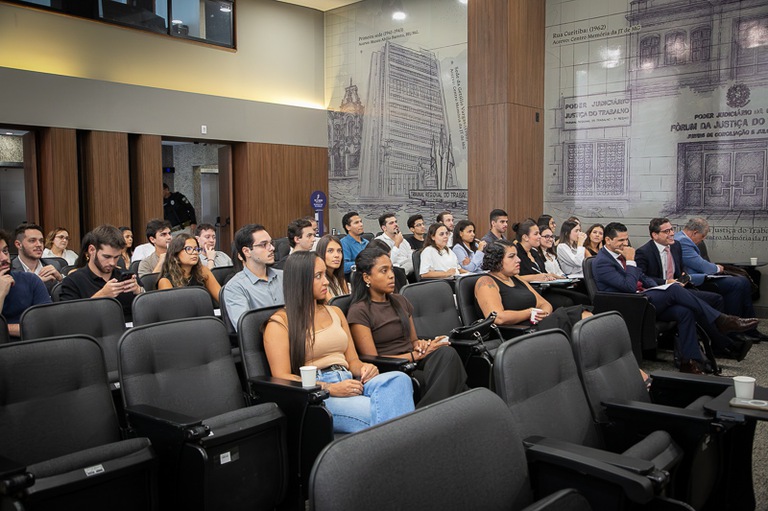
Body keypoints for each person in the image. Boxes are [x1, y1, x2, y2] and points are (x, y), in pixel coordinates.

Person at [263, 251, 414, 433]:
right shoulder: (279, 323)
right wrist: (329, 388)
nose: (326, 281)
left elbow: (353, 361)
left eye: (324, 275)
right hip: (319, 394)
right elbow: (282, 376)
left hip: (350, 380)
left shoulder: (335, 312)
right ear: (300, 281)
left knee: (400, 379)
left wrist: (364, 368)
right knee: (382, 411)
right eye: (318, 276)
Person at [594, 222, 758, 374]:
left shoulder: (621, 254)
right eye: (620, 240)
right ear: (607, 240)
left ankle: (689, 361)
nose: (625, 244)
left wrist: (659, 286)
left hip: (644, 299)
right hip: (628, 304)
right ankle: (721, 320)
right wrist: (631, 261)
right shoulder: (602, 262)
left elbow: (643, 277)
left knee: (684, 311)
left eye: (626, 239)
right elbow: (628, 287)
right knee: (674, 290)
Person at [347, 246, 467, 408]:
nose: (391, 275)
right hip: (392, 367)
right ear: (367, 278)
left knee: (447, 352)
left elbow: (413, 340)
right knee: (453, 379)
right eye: (383, 271)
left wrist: (422, 345)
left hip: (414, 360)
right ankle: (440, 411)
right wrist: (414, 355)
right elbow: (372, 360)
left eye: (391, 269)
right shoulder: (359, 311)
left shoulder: (400, 301)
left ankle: (429, 412)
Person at [636, 218, 750, 360]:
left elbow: (679, 271)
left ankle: (719, 342)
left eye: (672, 229)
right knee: (688, 308)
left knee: (716, 299)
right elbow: (642, 278)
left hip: (678, 290)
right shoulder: (643, 252)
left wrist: (682, 278)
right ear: (655, 235)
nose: (672, 233)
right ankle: (724, 337)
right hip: (660, 295)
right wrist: (666, 282)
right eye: (666, 231)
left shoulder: (676, 246)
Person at [675, 217, 764, 342]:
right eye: (702, 236)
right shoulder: (682, 241)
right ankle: (733, 331)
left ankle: (750, 329)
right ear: (695, 232)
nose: (702, 240)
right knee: (736, 284)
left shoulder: (685, 239)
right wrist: (717, 268)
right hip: (693, 281)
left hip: (703, 276)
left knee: (743, 281)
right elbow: (702, 266)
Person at [474, 240, 590, 331]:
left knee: (584, 314)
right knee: (581, 317)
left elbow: (545, 304)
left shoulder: (516, 278)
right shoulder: (486, 282)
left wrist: (543, 313)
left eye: (517, 255)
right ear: (497, 260)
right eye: (511, 256)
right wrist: (530, 312)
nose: (518, 260)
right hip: (519, 331)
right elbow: (497, 318)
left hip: (538, 323)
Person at [60, 225, 142, 316]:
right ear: (92, 250)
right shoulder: (73, 281)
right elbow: (69, 317)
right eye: (106, 257)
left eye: (116, 257)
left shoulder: (127, 277)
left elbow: (148, 312)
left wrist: (139, 292)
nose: (112, 263)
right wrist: (102, 295)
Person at [221, 224, 284, 331]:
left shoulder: (284, 276)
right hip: (264, 339)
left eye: (271, 243)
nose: (272, 248)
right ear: (246, 251)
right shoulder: (235, 287)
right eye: (264, 245)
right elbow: (247, 330)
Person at [0, 229, 51, 338]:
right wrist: (1, 294)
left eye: (5, 251)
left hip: (33, 344)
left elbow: (46, 326)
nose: (4, 258)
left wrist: (5, 329)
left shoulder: (30, 280)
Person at [158, 233, 221, 303]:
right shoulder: (165, 281)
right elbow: (172, 307)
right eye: (188, 249)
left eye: (196, 249)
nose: (195, 252)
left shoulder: (203, 271)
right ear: (176, 253)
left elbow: (221, 298)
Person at [12, 223, 63, 291]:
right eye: (32, 241)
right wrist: (36, 282)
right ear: (18, 244)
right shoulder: (9, 269)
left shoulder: (54, 265)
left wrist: (60, 279)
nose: (39, 244)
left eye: (41, 241)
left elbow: (64, 294)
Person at [316, 234, 349, 299]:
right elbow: (332, 303)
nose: (337, 255)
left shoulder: (340, 279)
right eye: (330, 251)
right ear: (321, 253)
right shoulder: (319, 280)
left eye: (339, 251)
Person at [340, 211, 368, 276]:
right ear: (348, 227)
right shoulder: (344, 243)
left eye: (361, 221)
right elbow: (344, 266)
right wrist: (362, 263)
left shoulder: (367, 242)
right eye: (356, 223)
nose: (361, 224)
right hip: (355, 278)